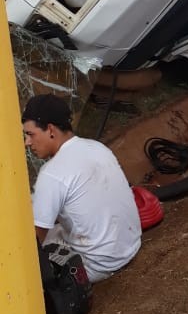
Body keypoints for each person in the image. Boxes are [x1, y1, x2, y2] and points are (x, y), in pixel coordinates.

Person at [22, 94, 142, 283]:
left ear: (51, 130)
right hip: (130, 246)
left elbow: (36, 238)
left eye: (30, 134)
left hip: (96, 265)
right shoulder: (97, 147)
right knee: (59, 228)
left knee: (22, 245)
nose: (27, 142)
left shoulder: (51, 173)